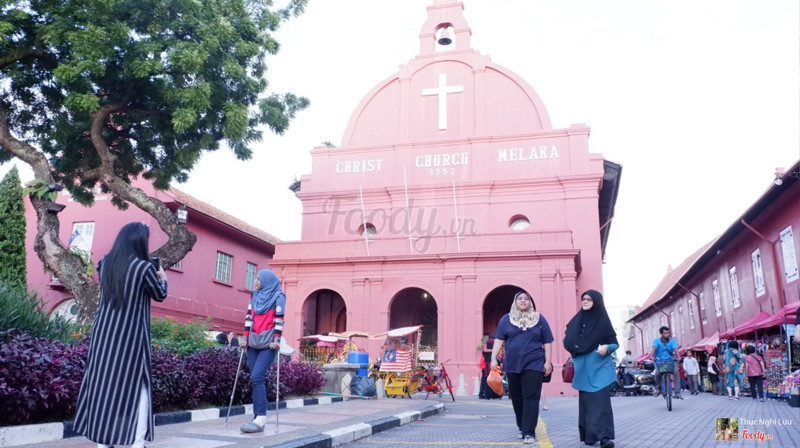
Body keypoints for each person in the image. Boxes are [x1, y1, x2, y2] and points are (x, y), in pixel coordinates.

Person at [73, 222, 168, 448]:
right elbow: (159, 294)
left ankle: (103, 443)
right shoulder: (144, 268)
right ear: (139, 241)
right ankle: (137, 443)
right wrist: (163, 277)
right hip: (131, 337)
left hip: (103, 335)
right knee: (140, 386)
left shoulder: (104, 263)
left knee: (104, 385)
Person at [490, 291, 553, 444]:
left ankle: (529, 432)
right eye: (520, 298)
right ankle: (522, 427)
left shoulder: (539, 319)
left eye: (526, 299)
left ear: (530, 302)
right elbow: (499, 339)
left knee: (531, 397)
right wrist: (493, 358)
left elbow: (547, 341)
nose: (523, 301)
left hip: (534, 363)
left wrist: (548, 362)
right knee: (517, 398)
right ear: (515, 301)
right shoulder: (506, 319)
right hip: (512, 364)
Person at [563, 289, 617, 448]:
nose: (585, 301)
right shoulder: (577, 320)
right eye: (584, 299)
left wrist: (607, 347)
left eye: (589, 299)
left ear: (597, 302)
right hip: (583, 369)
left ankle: (605, 437)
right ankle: (590, 436)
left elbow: (614, 343)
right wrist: (572, 346)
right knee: (587, 404)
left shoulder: (603, 321)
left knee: (602, 402)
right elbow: (568, 340)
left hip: (600, 368)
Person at [240, 268, 286, 433]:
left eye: (258, 279)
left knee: (257, 377)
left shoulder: (278, 296)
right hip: (253, 342)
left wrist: (277, 341)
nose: (255, 282)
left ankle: (260, 419)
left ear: (266, 280)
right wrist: (244, 338)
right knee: (255, 379)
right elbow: (249, 318)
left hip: (268, 344)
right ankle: (256, 417)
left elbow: (279, 320)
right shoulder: (254, 295)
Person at [649, 326, 682, 399]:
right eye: (665, 333)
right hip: (659, 361)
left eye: (668, 333)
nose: (668, 334)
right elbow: (654, 348)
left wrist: (678, 357)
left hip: (670, 361)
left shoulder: (672, 341)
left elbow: (675, 349)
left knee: (676, 373)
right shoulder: (656, 341)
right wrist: (651, 356)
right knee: (657, 374)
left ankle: (677, 392)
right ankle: (658, 389)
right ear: (661, 334)